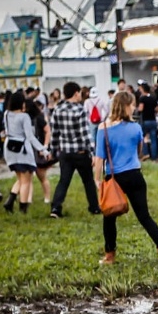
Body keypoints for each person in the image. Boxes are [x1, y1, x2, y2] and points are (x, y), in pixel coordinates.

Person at [94, 91, 158, 265]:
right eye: (133, 105)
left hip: (115, 178)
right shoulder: (136, 127)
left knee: (109, 218)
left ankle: (110, 255)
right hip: (135, 175)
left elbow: (99, 158)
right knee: (144, 216)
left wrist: (97, 179)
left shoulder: (103, 128)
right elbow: (139, 150)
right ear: (126, 106)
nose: (134, 107)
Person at [49, 81, 100, 218]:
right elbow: (85, 134)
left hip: (65, 152)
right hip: (80, 152)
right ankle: (94, 207)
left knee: (63, 181)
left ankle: (55, 208)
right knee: (88, 181)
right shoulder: (80, 110)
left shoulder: (57, 110)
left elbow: (55, 133)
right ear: (76, 93)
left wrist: (53, 151)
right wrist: (93, 152)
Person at [1, 90, 47, 213]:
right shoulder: (24, 116)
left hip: (9, 149)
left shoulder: (6, 114)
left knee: (20, 178)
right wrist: (43, 149)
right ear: (21, 103)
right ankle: (23, 208)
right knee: (26, 180)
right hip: (23, 150)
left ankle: (10, 202)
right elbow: (30, 137)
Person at [137, 81, 158, 160]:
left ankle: (146, 153)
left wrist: (137, 110)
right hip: (153, 120)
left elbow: (141, 108)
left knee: (142, 137)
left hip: (145, 120)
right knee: (154, 139)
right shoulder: (153, 98)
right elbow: (157, 109)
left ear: (143, 89)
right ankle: (154, 156)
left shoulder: (142, 98)